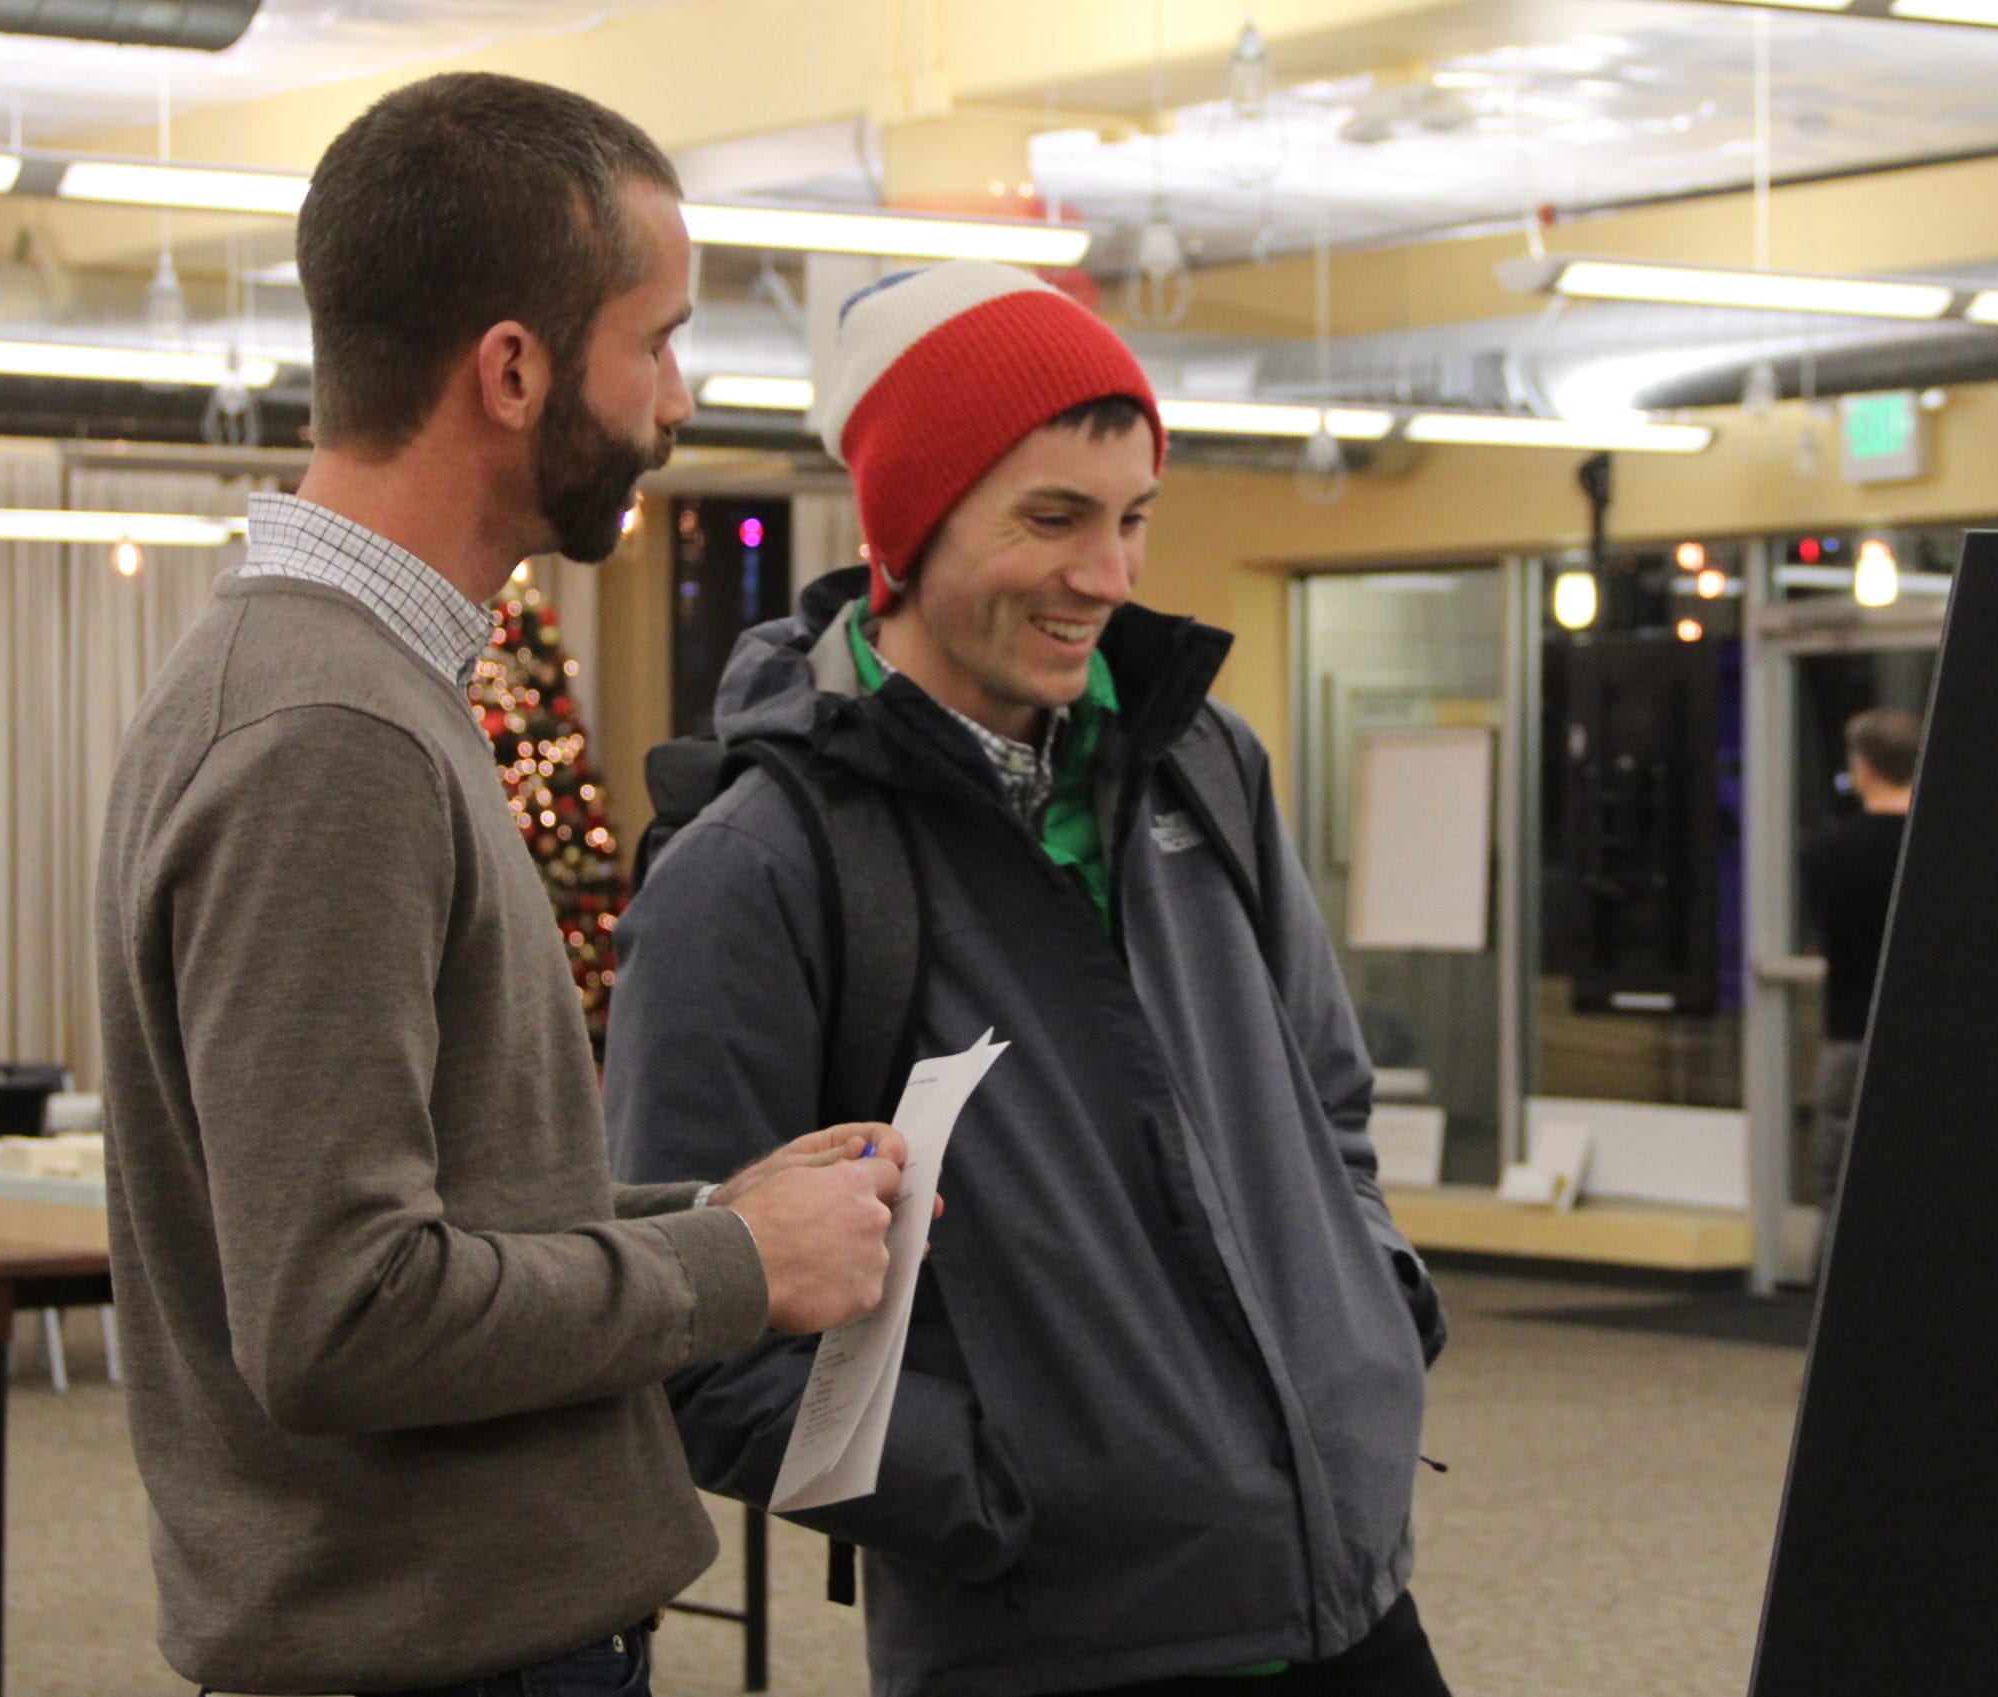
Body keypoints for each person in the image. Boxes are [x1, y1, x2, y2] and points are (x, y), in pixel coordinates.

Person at [95, 72, 909, 1697]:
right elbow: (343, 1314)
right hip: (441, 1661)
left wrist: (721, 1215)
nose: (678, 400)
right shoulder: (329, 731)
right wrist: (740, 1269)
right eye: (656, 341)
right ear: (515, 369)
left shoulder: (350, 683)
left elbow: (439, 1220)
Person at [605, 260, 1451, 1697]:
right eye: (1052, 519)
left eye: (1132, 518)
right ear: (908, 526)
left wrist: (1369, 1323)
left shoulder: (1204, 763)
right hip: (1050, 1644)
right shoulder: (758, 868)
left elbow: (1324, 1104)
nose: (1107, 576)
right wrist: (1003, 1489)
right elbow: (686, 1325)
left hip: (1350, 1602)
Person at [1799, 705, 1920, 1261]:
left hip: (1849, 1034)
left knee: (1839, 1191)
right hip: (1926, 1043)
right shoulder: (1941, 849)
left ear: (1864, 768)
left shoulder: (1826, 853)